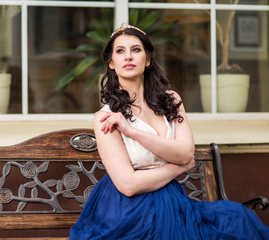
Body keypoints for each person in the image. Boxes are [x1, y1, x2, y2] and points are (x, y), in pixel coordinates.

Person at [69, 25, 269, 239]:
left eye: (136, 49)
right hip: (127, 208)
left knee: (237, 218)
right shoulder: (106, 116)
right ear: (111, 63)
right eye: (120, 51)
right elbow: (128, 184)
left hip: (173, 201)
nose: (128, 56)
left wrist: (132, 131)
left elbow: (185, 154)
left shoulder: (171, 100)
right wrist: (178, 168)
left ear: (147, 60)